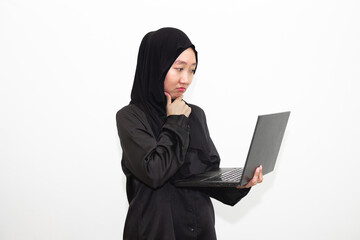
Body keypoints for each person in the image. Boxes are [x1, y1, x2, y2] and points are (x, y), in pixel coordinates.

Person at [116, 27, 263, 240]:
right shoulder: (130, 117)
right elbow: (155, 172)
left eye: (192, 70)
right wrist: (175, 121)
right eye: (179, 68)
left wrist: (240, 183)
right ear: (156, 66)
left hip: (199, 231)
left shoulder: (195, 115)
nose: (186, 79)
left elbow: (206, 176)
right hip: (155, 232)